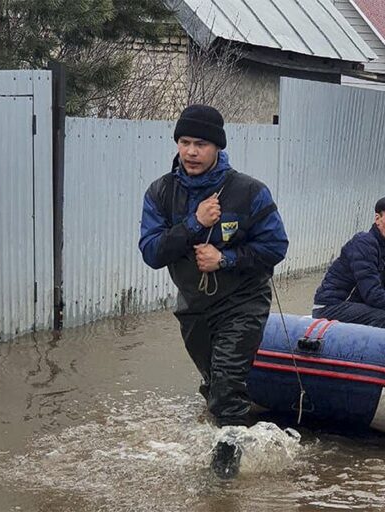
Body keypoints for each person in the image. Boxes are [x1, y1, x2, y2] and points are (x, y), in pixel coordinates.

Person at [138, 105, 288, 479]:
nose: (191, 152)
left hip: (243, 302)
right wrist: (193, 224)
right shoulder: (160, 192)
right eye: (185, 142)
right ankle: (235, 440)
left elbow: (276, 247)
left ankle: (223, 482)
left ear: (217, 147)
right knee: (214, 385)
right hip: (194, 306)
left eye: (200, 144)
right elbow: (152, 252)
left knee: (226, 386)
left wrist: (226, 258)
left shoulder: (249, 191)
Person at [312, 196, 385, 332]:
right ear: (377, 219)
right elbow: (372, 293)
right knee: (381, 317)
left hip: (357, 305)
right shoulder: (363, 243)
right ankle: (368, 354)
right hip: (331, 306)